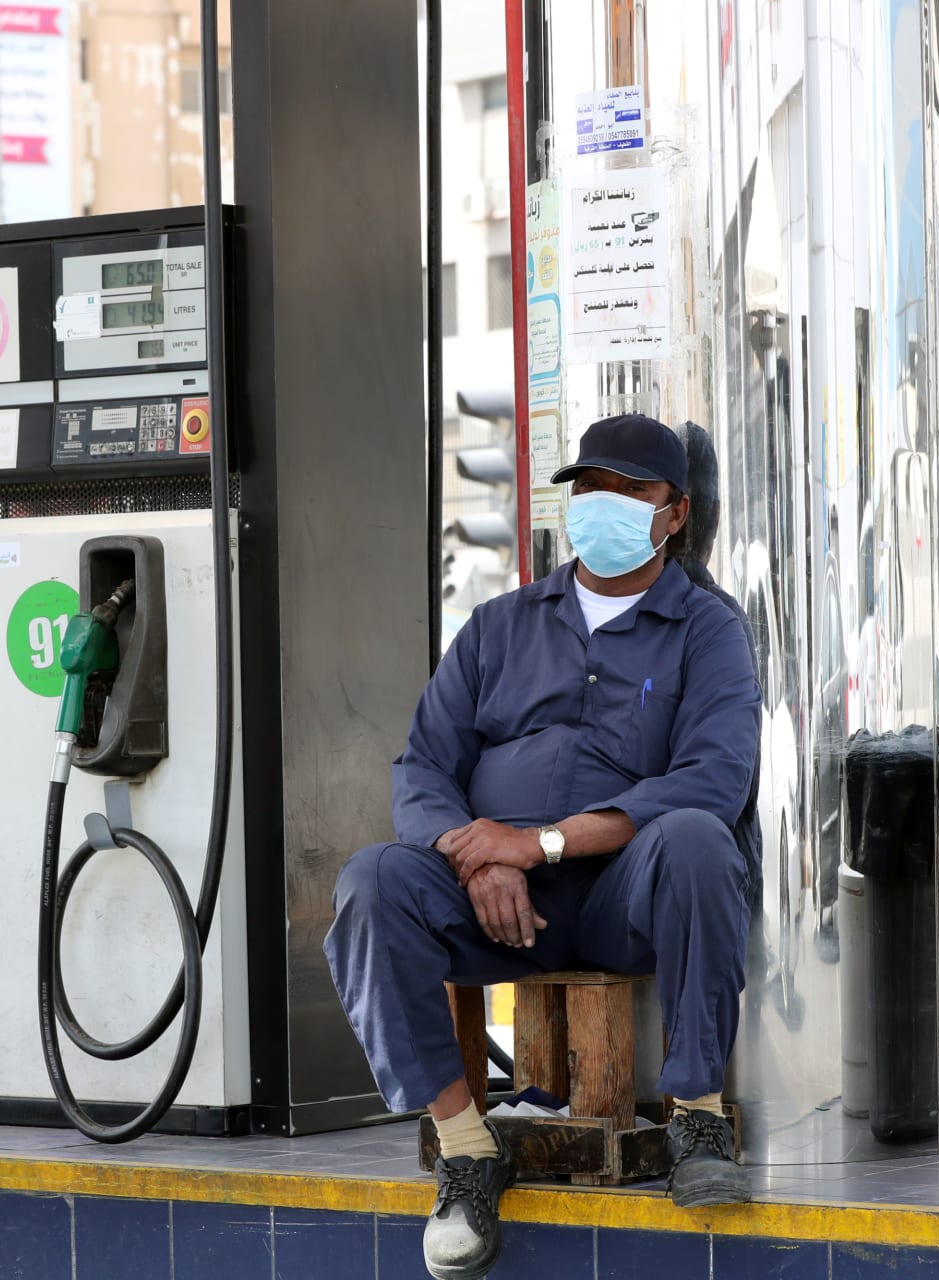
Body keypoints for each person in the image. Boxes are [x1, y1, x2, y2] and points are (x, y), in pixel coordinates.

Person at [325, 414, 762, 1280]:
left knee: (700, 841)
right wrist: (476, 854)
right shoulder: (498, 625)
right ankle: (464, 1149)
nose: (605, 504)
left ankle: (698, 1118)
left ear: (674, 514)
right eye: (590, 487)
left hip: (617, 899)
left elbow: (712, 778)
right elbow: (422, 767)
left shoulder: (707, 630)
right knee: (370, 881)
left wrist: (541, 844)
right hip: (488, 900)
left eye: (631, 490)